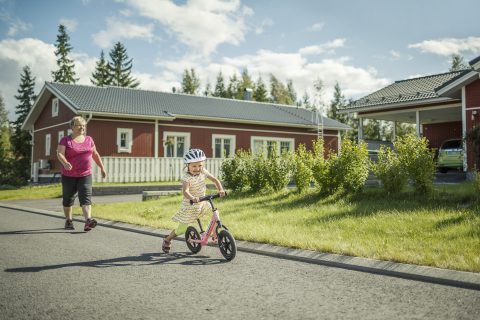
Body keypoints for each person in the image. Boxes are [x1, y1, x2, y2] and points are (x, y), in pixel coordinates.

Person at [162, 148, 225, 253]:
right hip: (190, 204)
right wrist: (192, 198)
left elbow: (215, 180)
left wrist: (221, 189)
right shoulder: (186, 177)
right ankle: (167, 239)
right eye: (194, 166)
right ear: (188, 165)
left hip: (203, 201)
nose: (197, 168)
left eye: (200, 165)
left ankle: (215, 236)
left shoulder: (203, 172)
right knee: (181, 229)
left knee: (214, 215)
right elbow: (185, 191)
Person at [56, 116, 107, 231]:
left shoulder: (89, 139)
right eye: (79, 125)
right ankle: (69, 221)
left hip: (85, 174)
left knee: (86, 198)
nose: (82, 127)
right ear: (73, 127)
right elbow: (60, 153)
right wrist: (65, 163)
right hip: (69, 175)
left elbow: (95, 154)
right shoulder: (66, 140)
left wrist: (102, 168)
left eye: (84, 125)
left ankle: (88, 221)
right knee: (68, 200)